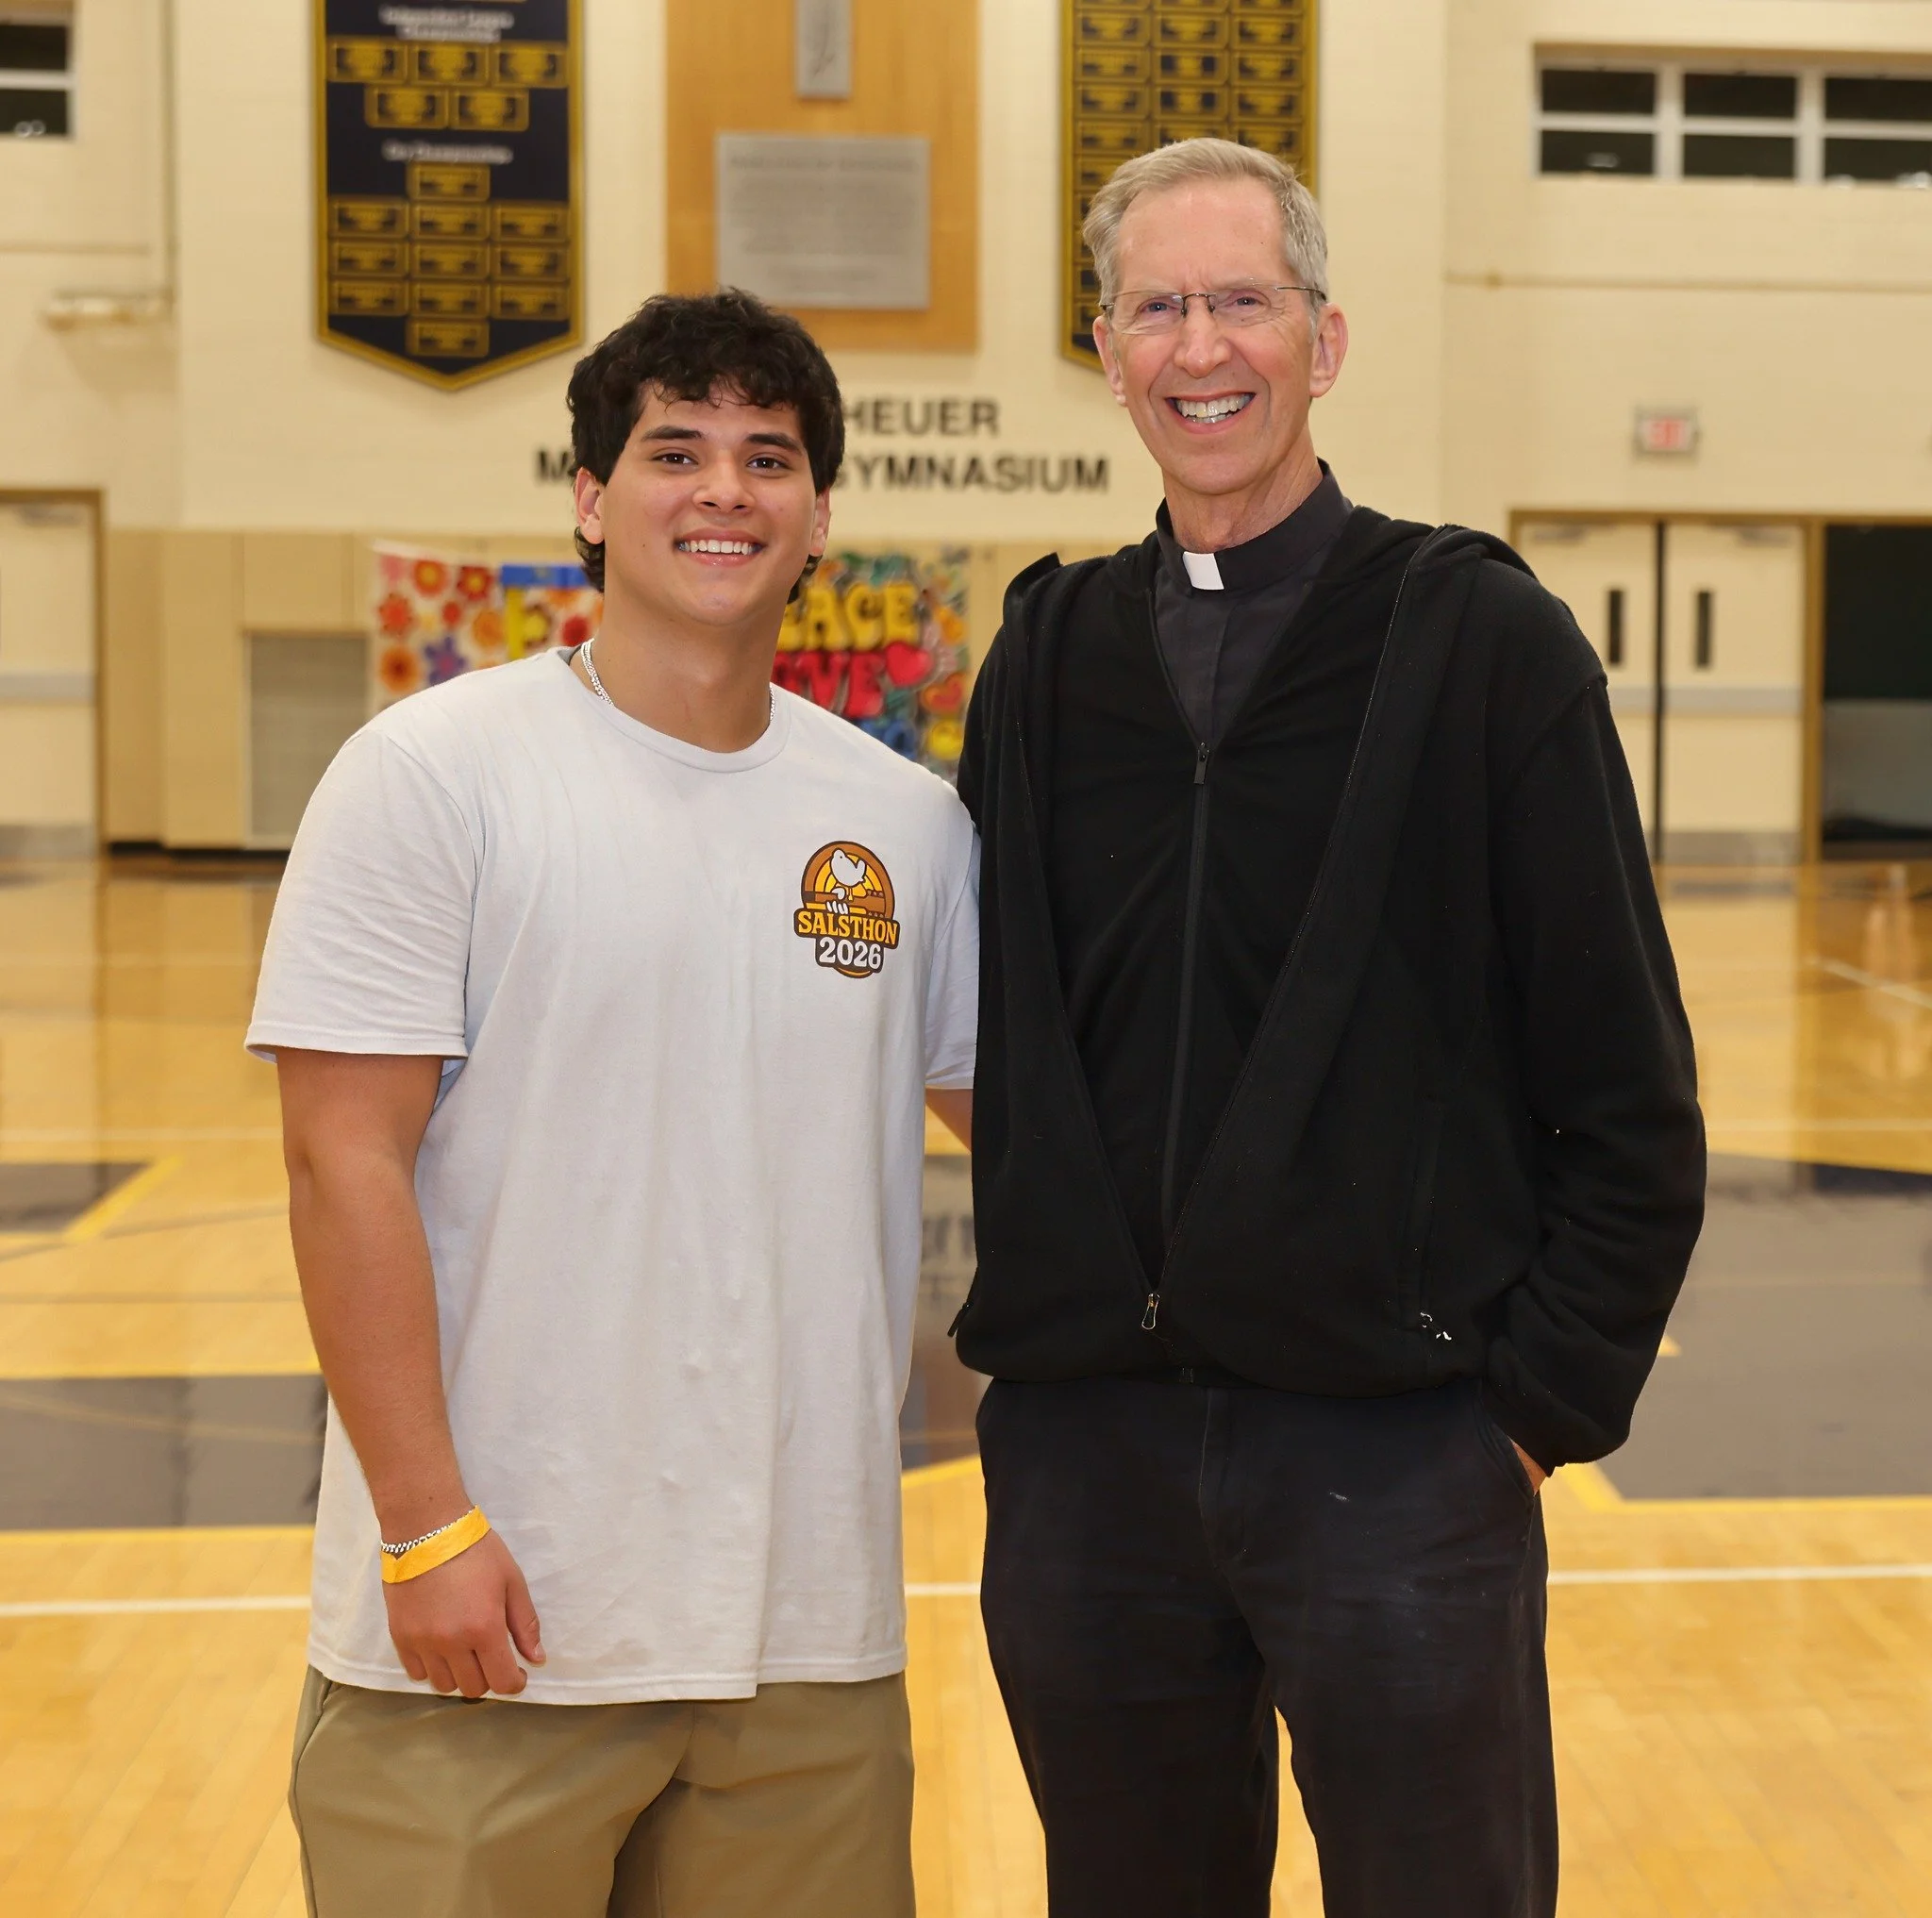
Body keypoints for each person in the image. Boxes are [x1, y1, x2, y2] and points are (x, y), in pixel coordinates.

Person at [954, 137, 1705, 1918]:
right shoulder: (1047, 657)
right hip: (1093, 1467)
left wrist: (1518, 1419)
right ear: (1107, 345)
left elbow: (1628, 1087)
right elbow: (996, 1039)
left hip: (1400, 1453)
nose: (1201, 346)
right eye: (1159, 308)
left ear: (1325, 339)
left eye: (1242, 302)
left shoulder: (1483, 643)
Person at [247, 289, 977, 1918]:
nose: (724, 489)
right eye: (675, 452)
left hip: (804, 1643)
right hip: (493, 1629)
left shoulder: (909, 825)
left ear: (819, 518)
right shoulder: (430, 774)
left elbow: (1038, 1130)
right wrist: (427, 1528)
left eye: (768, 458)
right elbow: (338, 1159)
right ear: (589, 497)